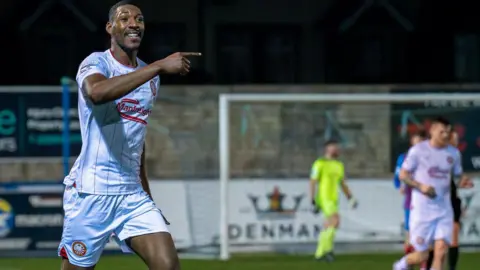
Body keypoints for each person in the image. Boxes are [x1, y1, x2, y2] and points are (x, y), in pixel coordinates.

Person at [57, 1, 201, 269]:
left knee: (168, 266)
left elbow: (137, 140)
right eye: (125, 19)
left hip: (131, 196)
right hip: (91, 193)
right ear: (110, 28)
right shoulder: (96, 62)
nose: (134, 23)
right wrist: (158, 66)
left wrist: (147, 194)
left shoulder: (150, 79)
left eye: (140, 19)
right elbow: (97, 93)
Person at [393, 117, 473, 270]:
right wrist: (420, 186)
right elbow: (403, 174)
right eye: (442, 131)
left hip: (444, 209)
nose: (445, 135)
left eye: (447, 132)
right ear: (432, 130)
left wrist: (462, 181)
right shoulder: (418, 151)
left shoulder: (453, 154)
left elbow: (458, 175)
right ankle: (401, 265)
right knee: (422, 255)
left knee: (441, 250)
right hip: (422, 210)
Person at [425, 130, 473, 270]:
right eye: (453, 139)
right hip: (438, 201)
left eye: (457, 139)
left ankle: (452, 267)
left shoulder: (454, 157)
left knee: (454, 236)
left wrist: (462, 182)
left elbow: (452, 180)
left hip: (452, 200)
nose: (456, 142)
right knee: (435, 240)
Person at [309, 140, 358, 262]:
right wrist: (312, 199)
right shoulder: (319, 163)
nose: (337, 149)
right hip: (324, 198)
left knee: (329, 224)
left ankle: (322, 252)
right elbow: (313, 181)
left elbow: (342, 183)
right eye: (334, 147)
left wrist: (350, 197)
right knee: (335, 220)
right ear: (327, 149)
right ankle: (325, 251)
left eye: (337, 147)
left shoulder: (339, 165)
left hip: (333, 199)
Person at [393, 130, 427, 263]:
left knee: (426, 236)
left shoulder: (430, 159)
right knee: (410, 235)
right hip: (411, 201)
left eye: (421, 143)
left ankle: (424, 263)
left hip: (428, 203)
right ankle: (407, 262)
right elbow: (397, 177)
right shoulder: (404, 158)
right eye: (416, 143)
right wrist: (400, 186)